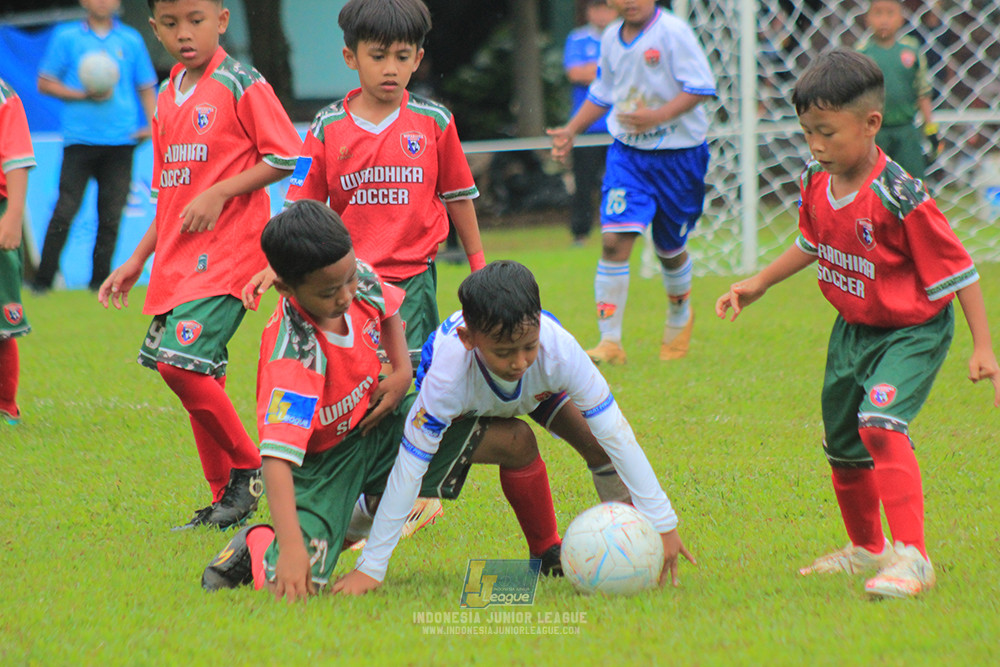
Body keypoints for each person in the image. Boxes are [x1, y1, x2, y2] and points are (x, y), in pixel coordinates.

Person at [716, 48, 1000, 599]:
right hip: (854, 329)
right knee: (844, 444)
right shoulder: (814, 180)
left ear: (872, 124)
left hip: (912, 329)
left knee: (879, 425)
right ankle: (867, 548)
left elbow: (961, 270)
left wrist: (983, 347)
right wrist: (760, 282)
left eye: (827, 132)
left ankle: (911, 558)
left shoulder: (901, 195)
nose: (816, 145)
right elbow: (812, 241)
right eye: (807, 133)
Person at [200, 202, 564, 601]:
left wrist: (402, 376)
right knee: (292, 590)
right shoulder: (295, 357)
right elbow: (276, 460)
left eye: (348, 280)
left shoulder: (355, 276)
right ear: (286, 288)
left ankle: (548, 553)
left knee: (515, 441)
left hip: (380, 430)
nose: (345, 296)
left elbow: (386, 306)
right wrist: (289, 549)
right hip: (321, 470)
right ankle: (259, 540)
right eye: (328, 292)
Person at [331, 259, 694, 596]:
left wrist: (661, 522)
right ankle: (354, 522)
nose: (519, 362)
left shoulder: (558, 352)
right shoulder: (446, 381)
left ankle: (617, 546)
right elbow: (410, 468)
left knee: (598, 446)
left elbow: (616, 433)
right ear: (469, 339)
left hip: (535, 392)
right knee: (515, 443)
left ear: (539, 324)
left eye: (528, 346)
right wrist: (372, 568)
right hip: (467, 404)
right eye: (504, 352)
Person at [97, 0, 302, 531]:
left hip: (232, 253)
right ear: (154, 28)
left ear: (221, 20)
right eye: (170, 24)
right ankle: (224, 501)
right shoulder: (167, 95)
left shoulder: (241, 81)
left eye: (196, 20)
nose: (184, 34)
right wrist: (138, 258)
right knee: (196, 374)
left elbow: (284, 154)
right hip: (177, 262)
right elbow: (169, 193)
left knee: (179, 364)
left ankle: (251, 467)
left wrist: (220, 192)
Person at [257, 0, 485, 356]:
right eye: (378, 56)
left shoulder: (435, 121)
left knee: (406, 375)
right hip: (344, 281)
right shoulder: (326, 126)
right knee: (352, 371)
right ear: (351, 57)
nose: (391, 68)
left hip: (412, 280)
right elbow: (300, 209)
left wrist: (478, 267)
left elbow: (458, 196)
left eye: (402, 56)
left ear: (418, 59)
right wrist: (276, 265)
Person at [548, 0, 716, 366]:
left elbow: (702, 86)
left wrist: (657, 116)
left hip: (680, 156)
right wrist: (572, 130)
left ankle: (679, 314)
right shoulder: (610, 38)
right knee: (612, 241)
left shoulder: (673, 32)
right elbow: (602, 93)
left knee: (669, 250)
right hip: (628, 155)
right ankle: (609, 341)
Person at [32, 0, 157, 293]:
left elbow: (146, 85)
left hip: (121, 141)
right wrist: (81, 94)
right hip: (80, 140)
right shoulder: (68, 37)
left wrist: (153, 123)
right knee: (65, 210)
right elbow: (45, 82)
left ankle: (98, 282)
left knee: (111, 215)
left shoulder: (130, 39)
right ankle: (42, 281)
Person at [858, 0, 936, 180]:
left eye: (890, 13)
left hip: (906, 131)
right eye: (878, 13)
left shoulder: (911, 49)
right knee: (875, 185)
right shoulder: (862, 54)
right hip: (874, 135)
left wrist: (930, 128)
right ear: (867, 18)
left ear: (901, 18)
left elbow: (923, 91)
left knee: (913, 184)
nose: (884, 20)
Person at [562, 0, 617, 245]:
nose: (602, 14)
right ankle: (581, 233)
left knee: (619, 181)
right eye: (596, 8)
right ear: (588, 12)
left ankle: (620, 228)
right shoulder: (578, 38)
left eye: (606, 8)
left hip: (620, 127)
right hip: (587, 128)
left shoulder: (621, 36)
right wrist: (611, 70)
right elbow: (575, 73)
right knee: (584, 183)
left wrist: (594, 71)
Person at [0, 78, 37, 425]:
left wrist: (12, 215)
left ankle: (6, 403)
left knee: (1, 321)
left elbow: (16, 158)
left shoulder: (3, 96)